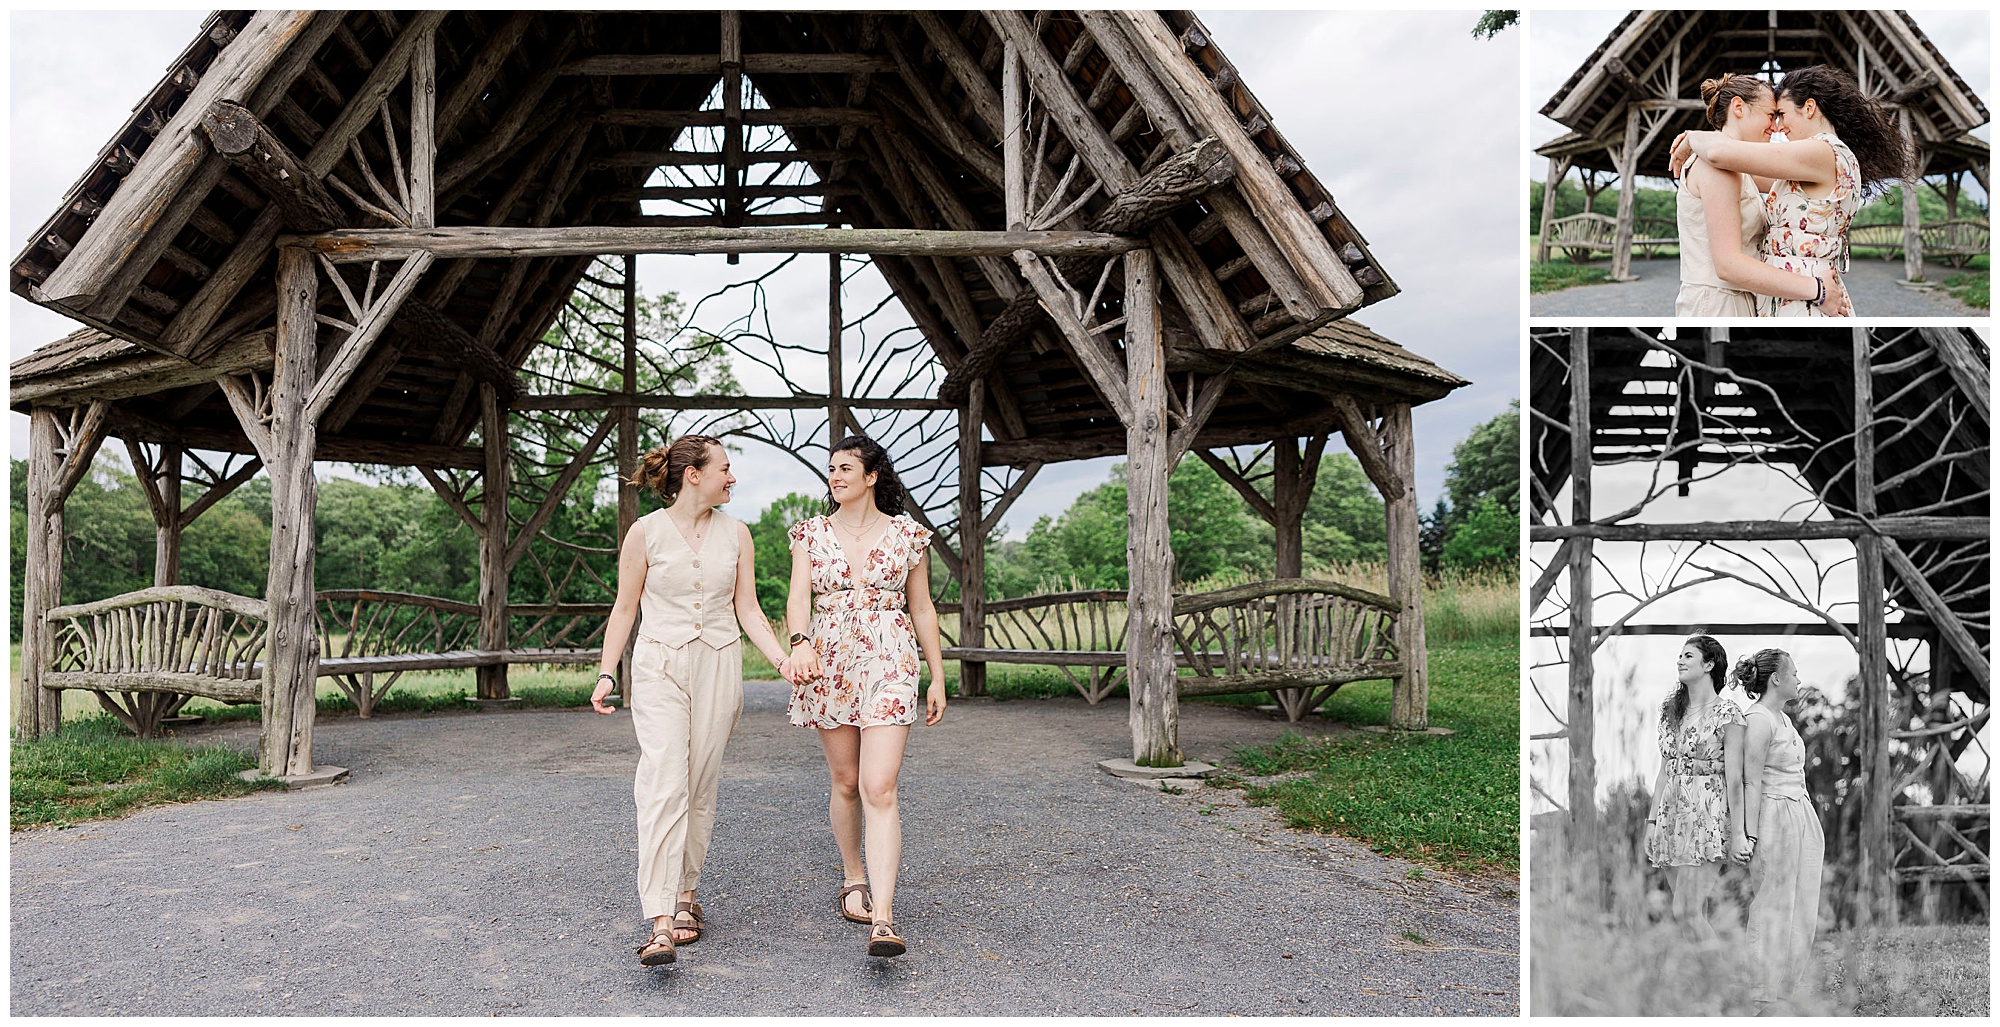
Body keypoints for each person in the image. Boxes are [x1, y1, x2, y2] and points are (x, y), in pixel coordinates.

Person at [591, 435, 797, 967]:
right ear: (694, 475)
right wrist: (606, 672)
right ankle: (660, 919)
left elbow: (749, 610)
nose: (733, 478)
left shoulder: (739, 534)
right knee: (664, 779)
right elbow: (624, 609)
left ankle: (686, 897)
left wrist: (782, 661)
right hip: (659, 664)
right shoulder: (646, 534)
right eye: (725, 469)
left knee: (700, 784)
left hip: (720, 665)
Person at [784, 435, 947, 958]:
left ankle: (883, 916)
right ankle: (852, 876)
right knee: (847, 781)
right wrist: (800, 642)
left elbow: (922, 609)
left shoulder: (907, 535)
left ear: (872, 476)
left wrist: (937, 676)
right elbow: (796, 599)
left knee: (880, 785)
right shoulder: (809, 534)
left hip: (890, 661)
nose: (834, 476)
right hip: (829, 660)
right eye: (831, 469)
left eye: (845, 468)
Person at [1672, 65, 1909, 317]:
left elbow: (1719, 153)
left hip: (1808, 295)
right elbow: (1732, 163)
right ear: (1739, 107)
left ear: (1809, 108)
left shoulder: (1822, 151)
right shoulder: (1796, 166)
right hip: (1783, 294)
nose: (1778, 126)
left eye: (1781, 114)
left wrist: (1692, 138)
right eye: (1773, 114)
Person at [1731, 648, 1824, 1009]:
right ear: (1776, 678)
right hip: (1774, 816)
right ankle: (1759, 992)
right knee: (1773, 903)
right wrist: (1749, 834)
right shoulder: (1758, 719)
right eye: (1794, 673)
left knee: (1802, 903)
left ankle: (1785, 988)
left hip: (1799, 812)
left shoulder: (1783, 718)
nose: (1799, 679)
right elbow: (1750, 780)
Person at [1645, 635, 1748, 939]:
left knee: (1686, 911)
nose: (1680, 661)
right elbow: (1664, 771)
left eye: (1688, 656)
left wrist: (1739, 832)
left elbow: (1734, 779)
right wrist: (1651, 822)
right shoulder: (1670, 712)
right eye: (1679, 655)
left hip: (1706, 815)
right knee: (1690, 914)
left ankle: (1721, 984)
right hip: (1671, 815)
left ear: (1709, 664)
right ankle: (1699, 983)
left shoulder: (1728, 713)